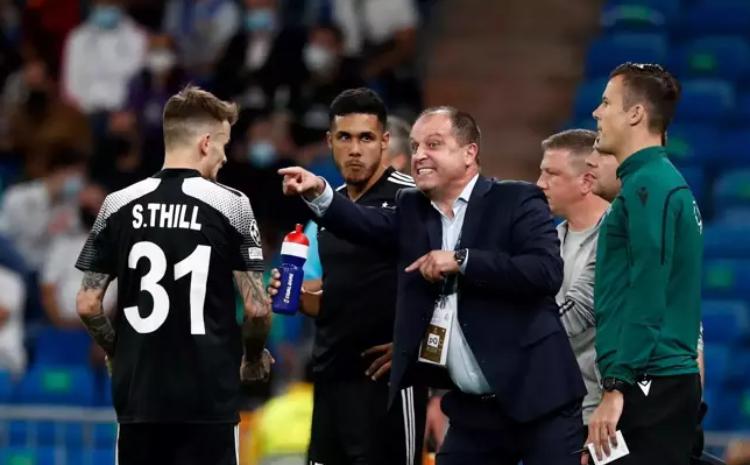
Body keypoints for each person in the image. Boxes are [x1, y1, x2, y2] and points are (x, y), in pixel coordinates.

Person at [280, 106, 586, 465]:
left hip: (540, 399)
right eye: (415, 146)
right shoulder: (413, 207)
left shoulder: (515, 199)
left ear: (469, 153)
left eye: (434, 144)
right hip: (472, 410)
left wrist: (462, 260)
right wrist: (319, 193)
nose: (420, 155)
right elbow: (366, 225)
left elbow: (545, 271)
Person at [74, 85, 274, 465]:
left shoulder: (117, 204)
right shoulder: (232, 204)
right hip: (208, 402)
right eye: (223, 145)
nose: (224, 157)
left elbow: (87, 303)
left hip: (140, 400)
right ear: (205, 143)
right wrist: (252, 358)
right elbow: (257, 308)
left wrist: (117, 352)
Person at [269, 88, 427, 465]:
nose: (355, 149)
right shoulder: (328, 209)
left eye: (366, 138)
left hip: (387, 385)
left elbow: (438, 285)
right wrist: (300, 298)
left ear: (384, 141)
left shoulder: (412, 199)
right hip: (330, 379)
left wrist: (414, 343)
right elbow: (341, 294)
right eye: (345, 137)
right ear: (329, 142)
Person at [584, 62, 703, 465]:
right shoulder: (649, 181)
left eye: (606, 103)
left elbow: (648, 288)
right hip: (650, 378)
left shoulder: (650, 184)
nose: (597, 112)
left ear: (635, 114)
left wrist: (617, 384)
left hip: (650, 380)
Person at [536, 129, 609, 429]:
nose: (540, 184)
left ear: (586, 181)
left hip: (608, 412)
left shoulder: (619, 237)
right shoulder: (547, 242)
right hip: (557, 407)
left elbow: (577, 313)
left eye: (551, 174)